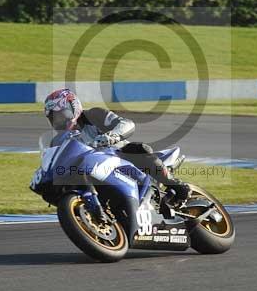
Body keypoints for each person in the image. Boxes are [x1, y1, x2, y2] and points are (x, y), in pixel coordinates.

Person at [43, 88, 191, 206]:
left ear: (73, 108)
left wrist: (111, 136)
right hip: (91, 171)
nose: (59, 121)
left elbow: (126, 124)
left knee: (139, 150)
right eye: (54, 118)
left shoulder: (93, 115)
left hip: (118, 156)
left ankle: (177, 185)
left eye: (62, 115)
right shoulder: (58, 141)